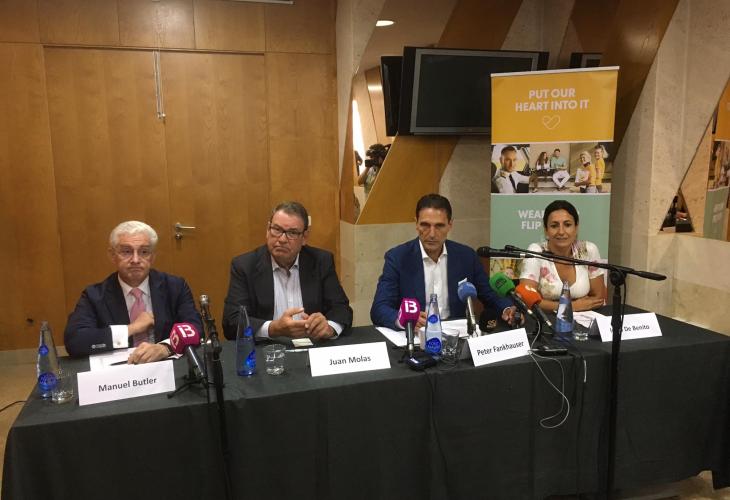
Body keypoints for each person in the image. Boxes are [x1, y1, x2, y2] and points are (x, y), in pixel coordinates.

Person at [370, 194, 516, 330]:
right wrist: (405, 319)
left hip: (456, 336)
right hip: (416, 336)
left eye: (439, 226)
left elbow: (489, 294)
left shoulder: (466, 256)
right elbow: (379, 309)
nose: (432, 234)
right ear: (416, 224)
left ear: (450, 225)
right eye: (425, 225)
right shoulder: (398, 258)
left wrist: (506, 309)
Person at [64, 221, 202, 364]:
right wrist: (131, 329)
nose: (135, 260)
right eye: (126, 251)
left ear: (152, 256)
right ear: (112, 255)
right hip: (119, 371)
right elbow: (75, 341)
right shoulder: (94, 296)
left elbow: (195, 328)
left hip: (166, 365)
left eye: (144, 252)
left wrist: (166, 347)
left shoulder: (175, 286)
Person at [222, 201, 352, 343]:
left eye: (292, 233)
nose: (282, 239)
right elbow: (232, 322)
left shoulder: (321, 261)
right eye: (277, 229)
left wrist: (329, 328)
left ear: (304, 237)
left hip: (312, 347)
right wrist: (274, 328)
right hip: (268, 349)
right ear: (268, 230)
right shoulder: (245, 266)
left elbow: (342, 309)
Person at [519, 200, 606, 312]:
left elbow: (598, 298)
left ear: (576, 227)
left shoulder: (588, 250)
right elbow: (526, 299)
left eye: (567, 225)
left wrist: (548, 304)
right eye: (554, 226)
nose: (561, 231)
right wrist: (571, 307)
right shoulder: (536, 252)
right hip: (546, 319)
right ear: (546, 230)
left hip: (585, 318)